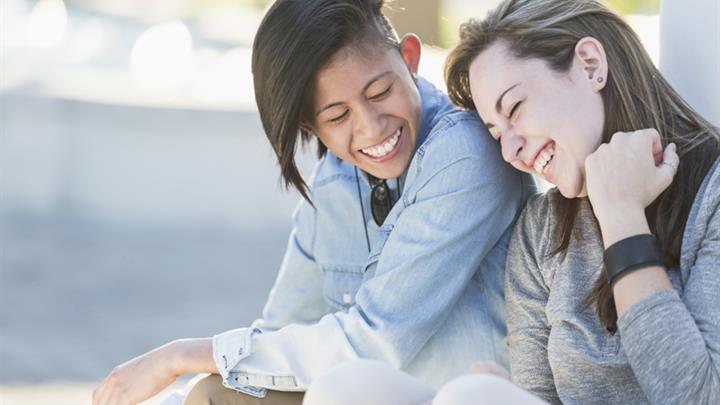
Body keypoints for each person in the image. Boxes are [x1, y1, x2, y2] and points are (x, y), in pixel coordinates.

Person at [91, 1, 532, 404]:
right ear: (311, 124)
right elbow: (280, 333)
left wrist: (178, 355)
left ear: (411, 60)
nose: (372, 128)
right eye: (338, 116)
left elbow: (374, 342)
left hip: (458, 395)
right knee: (207, 395)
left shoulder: (465, 154)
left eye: (380, 92)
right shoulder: (334, 179)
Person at [304, 0, 720, 404]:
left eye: (515, 109)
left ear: (590, 65)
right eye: (497, 132)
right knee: (346, 389)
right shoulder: (541, 230)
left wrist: (622, 219)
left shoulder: (712, 196)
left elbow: (698, 394)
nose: (511, 151)